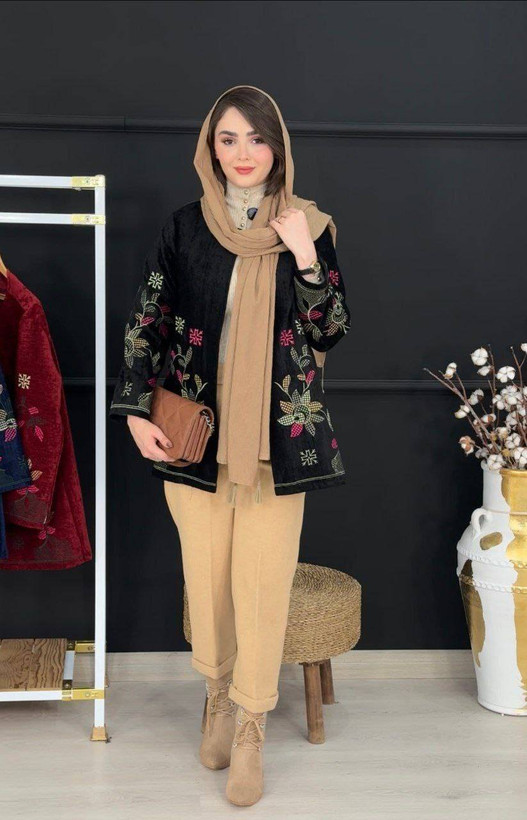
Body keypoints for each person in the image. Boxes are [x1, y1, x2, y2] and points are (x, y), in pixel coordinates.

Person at [109, 84, 351, 807]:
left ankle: (250, 726)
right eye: (227, 138)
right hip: (195, 438)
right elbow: (147, 320)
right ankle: (216, 697)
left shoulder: (309, 226)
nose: (243, 153)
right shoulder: (185, 228)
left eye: (256, 138)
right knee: (208, 577)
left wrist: (304, 257)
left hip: (276, 442)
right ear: (209, 149)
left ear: (278, 146)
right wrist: (134, 410)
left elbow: (331, 329)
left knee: (262, 583)